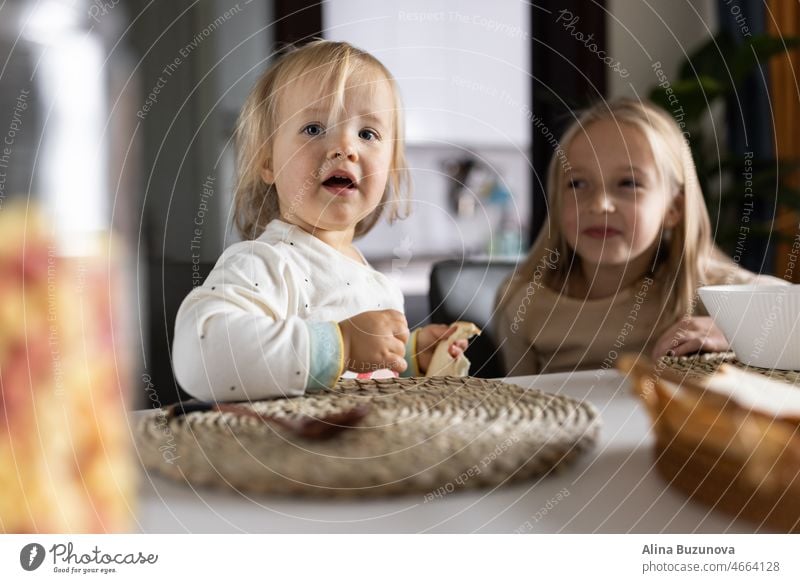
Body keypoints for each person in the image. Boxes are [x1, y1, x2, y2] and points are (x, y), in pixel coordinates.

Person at [173, 40, 465, 401]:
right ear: (268, 161)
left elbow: (356, 376)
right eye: (314, 128)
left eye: (367, 134)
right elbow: (199, 357)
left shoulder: (379, 286)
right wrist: (341, 343)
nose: (345, 147)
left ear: (390, 168)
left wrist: (407, 354)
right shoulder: (266, 264)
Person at [496, 98, 781, 376]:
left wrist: (736, 332)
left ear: (674, 207)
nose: (599, 204)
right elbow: (517, 409)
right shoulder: (521, 301)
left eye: (628, 183)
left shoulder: (718, 293)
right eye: (578, 183)